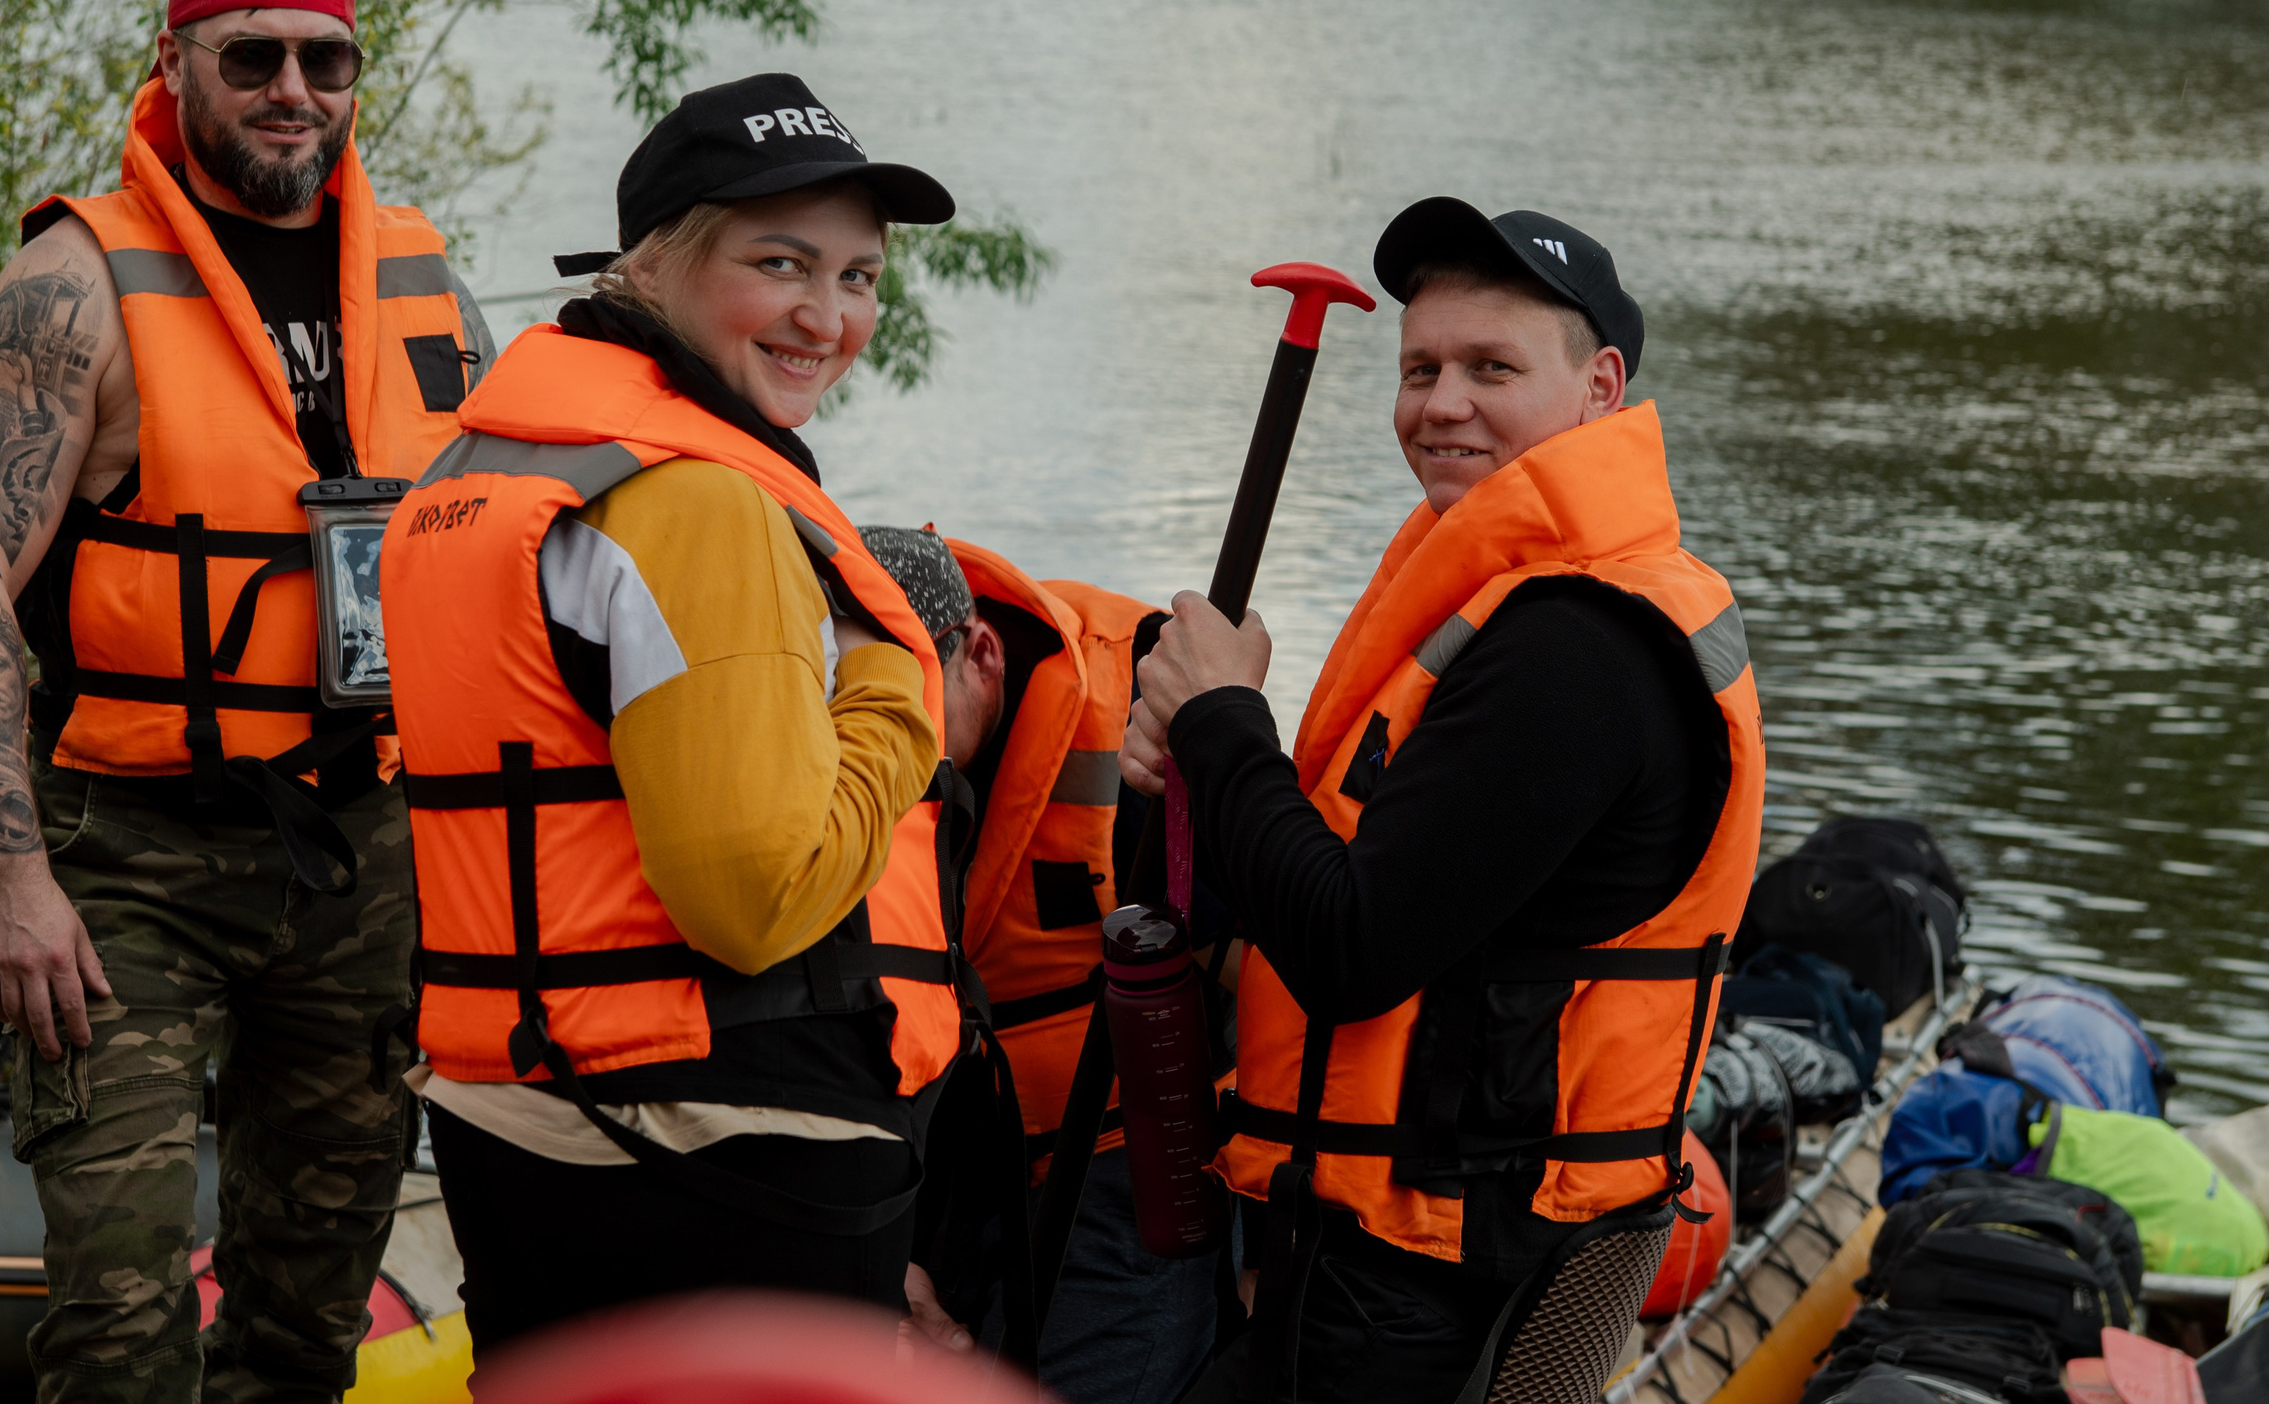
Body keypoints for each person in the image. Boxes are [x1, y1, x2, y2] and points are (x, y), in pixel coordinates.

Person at [0, 0, 493, 1402]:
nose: (294, 89)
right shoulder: (73, 283)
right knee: (119, 1324)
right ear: (175, 64)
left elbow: (510, 556)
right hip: (127, 858)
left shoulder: (426, 278)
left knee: (307, 1323)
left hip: (361, 852)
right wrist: (13, 877)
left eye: (326, 60)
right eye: (254, 57)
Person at [1125, 199, 1767, 1401]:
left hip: (1438, 1263)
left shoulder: (1576, 645)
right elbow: (1320, 880)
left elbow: (1351, 947)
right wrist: (1194, 766)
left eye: (1490, 368)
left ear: (1600, 386)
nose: (1441, 403)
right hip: (1379, 1236)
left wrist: (1223, 717)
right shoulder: (1504, 597)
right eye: (1419, 368)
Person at [380, 73, 970, 1360]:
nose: (828, 317)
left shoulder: (474, 476)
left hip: (517, 1125)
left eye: (859, 277)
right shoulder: (697, 500)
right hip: (729, 1143)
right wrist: (894, 686)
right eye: (779, 263)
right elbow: (753, 898)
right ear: (652, 260)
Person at [861, 526, 1225, 1404]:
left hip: (1124, 1175)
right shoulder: (836, 755)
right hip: (936, 1175)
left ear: (981, 655)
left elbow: (1257, 970)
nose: (871, 741)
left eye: (899, 702)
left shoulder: (1146, 703)